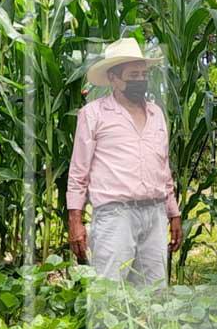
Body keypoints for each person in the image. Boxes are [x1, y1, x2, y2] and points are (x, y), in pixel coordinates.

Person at [66, 38, 182, 284]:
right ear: (113, 78)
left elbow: (163, 167)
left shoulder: (156, 114)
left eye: (143, 74)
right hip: (115, 215)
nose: (140, 80)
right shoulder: (93, 115)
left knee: (155, 290)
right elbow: (78, 172)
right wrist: (75, 220)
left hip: (155, 214)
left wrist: (173, 213)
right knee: (109, 291)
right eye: (133, 75)